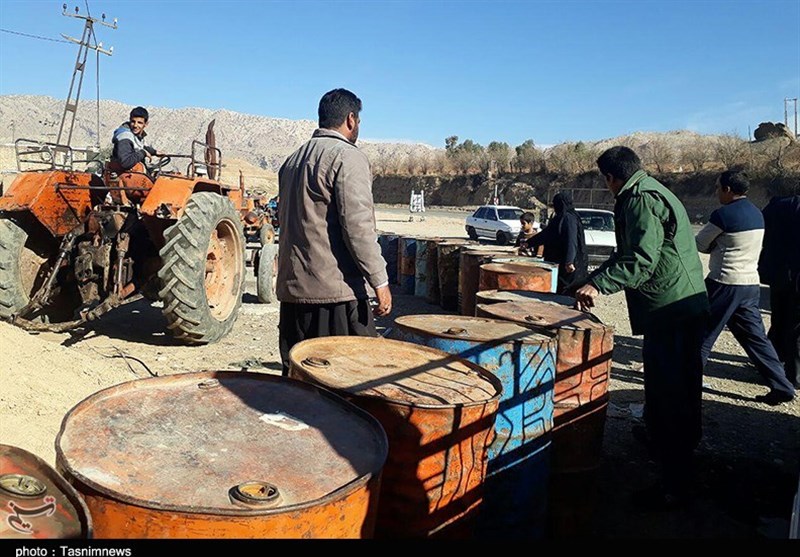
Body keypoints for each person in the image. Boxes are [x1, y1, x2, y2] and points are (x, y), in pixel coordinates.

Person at [574, 146, 709, 510]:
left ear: (610, 178)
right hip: (680, 304)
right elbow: (628, 253)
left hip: (672, 308)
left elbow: (641, 259)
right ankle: (668, 448)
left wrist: (600, 286)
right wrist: (593, 279)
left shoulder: (639, 199)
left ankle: (675, 483)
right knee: (675, 388)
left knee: (671, 392)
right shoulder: (648, 189)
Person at [276, 88, 391, 375]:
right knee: (348, 386)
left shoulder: (291, 162)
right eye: (359, 121)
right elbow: (358, 228)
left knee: (301, 382)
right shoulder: (347, 157)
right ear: (351, 119)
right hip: (336, 297)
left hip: (294, 298)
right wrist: (380, 280)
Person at [695, 170, 795, 405]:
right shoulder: (757, 213)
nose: (716, 192)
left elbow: (699, 243)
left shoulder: (723, 215)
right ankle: (782, 386)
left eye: (718, 187)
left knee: (701, 336)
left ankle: (687, 385)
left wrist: (715, 248)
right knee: (756, 339)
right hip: (750, 285)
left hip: (724, 283)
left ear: (728, 190)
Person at [759, 180, 800, 392]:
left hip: (777, 274)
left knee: (779, 318)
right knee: (796, 327)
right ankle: (795, 376)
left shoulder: (776, 207)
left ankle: (772, 366)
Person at [525, 191, 588, 295]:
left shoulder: (569, 218)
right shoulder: (558, 219)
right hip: (558, 264)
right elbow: (546, 234)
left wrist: (569, 261)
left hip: (569, 267)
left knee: (567, 293)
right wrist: (529, 243)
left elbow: (571, 240)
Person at [109, 106, 162, 173]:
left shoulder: (137, 135)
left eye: (139, 122)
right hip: (125, 175)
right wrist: (143, 153)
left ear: (146, 124)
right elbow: (125, 162)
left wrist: (155, 152)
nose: (135, 125)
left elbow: (140, 146)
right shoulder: (125, 137)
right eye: (133, 121)